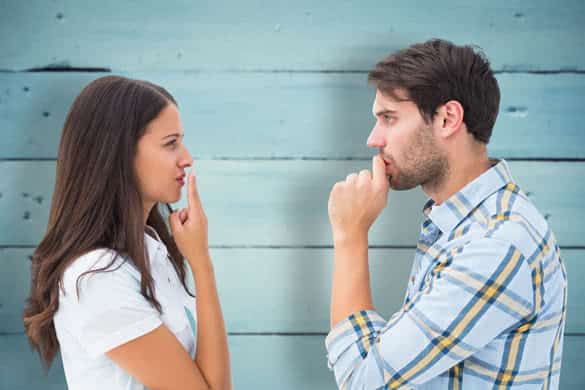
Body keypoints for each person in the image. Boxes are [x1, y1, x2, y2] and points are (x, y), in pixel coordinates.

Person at [325, 39, 567, 389]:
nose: (373, 139)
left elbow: (365, 380)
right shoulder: (459, 225)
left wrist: (349, 235)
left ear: (446, 118)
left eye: (389, 118)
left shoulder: (497, 244)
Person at [23, 76, 232, 390]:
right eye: (170, 143)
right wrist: (201, 264)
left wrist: (200, 262)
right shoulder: (96, 277)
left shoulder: (151, 250)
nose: (186, 158)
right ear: (120, 153)